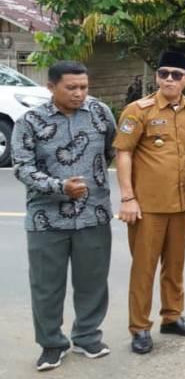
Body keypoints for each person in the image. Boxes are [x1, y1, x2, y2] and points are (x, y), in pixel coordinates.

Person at [13, 61, 116, 371]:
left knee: (93, 282)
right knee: (47, 286)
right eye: (71, 87)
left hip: (93, 214)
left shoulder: (100, 113)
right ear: (51, 87)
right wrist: (59, 187)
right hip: (47, 219)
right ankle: (51, 344)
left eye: (84, 87)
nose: (79, 93)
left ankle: (87, 336)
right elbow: (22, 166)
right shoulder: (30, 121)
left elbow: (111, 149)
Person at [114, 51, 185, 354]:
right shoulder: (138, 110)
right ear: (156, 77)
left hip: (181, 203)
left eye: (176, 74)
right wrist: (128, 197)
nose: (169, 79)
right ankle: (140, 327)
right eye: (163, 73)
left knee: (175, 266)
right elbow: (123, 153)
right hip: (148, 206)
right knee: (144, 268)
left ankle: (172, 316)